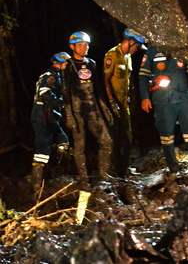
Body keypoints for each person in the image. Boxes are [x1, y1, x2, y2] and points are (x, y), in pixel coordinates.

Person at [138, 46, 188, 172]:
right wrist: (145, 98)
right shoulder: (152, 51)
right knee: (166, 134)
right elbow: (143, 76)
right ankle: (173, 166)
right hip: (162, 99)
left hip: (183, 97)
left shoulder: (183, 49)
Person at [63, 31, 114, 182]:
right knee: (80, 146)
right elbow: (65, 91)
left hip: (94, 109)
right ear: (73, 47)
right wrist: (69, 114)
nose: (85, 48)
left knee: (106, 141)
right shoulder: (69, 66)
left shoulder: (91, 63)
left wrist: (105, 109)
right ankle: (84, 178)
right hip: (78, 111)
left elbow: (98, 88)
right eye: (81, 45)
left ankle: (104, 174)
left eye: (87, 45)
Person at [104, 28, 147, 176]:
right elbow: (106, 81)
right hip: (113, 104)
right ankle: (114, 171)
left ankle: (124, 170)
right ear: (130, 42)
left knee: (127, 137)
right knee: (114, 138)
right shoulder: (112, 55)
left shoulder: (128, 57)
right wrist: (110, 101)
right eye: (136, 46)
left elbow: (128, 79)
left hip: (124, 104)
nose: (136, 50)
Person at [30, 52, 72, 193]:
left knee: (62, 140)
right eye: (65, 62)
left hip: (48, 114)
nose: (66, 65)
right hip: (43, 113)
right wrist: (60, 102)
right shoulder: (51, 75)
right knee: (42, 148)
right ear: (60, 63)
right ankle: (36, 186)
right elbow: (44, 91)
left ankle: (55, 173)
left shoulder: (55, 75)